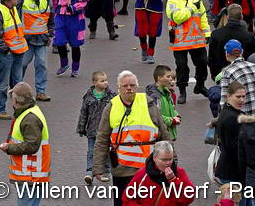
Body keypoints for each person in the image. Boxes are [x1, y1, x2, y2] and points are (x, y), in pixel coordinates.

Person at [92, 71, 169, 206]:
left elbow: (164, 136)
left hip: (149, 168)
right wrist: (98, 167)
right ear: (119, 88)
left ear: (137, 86)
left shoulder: (149, 104)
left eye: (132, 85)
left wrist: (171, 163)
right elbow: (102, 139)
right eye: (125, 86)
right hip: (122, 171)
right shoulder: (111, 107)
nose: (129, 88)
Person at [0, 82, 49, 206]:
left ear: (16, 100)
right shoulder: (29, 112)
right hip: (31, 173)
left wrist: (9, 148)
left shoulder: (29, 118)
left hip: (30, 174)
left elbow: (32, 145)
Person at [165, 0, 211, 103]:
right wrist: (191, 8)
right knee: (182, 66)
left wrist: (207, 32)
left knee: (203, 63)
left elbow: (202, 16)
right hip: (180, 41)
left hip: (196, 39)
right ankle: (182, 91)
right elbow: (177, 18)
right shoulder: (172, 0)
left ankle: (200, 86)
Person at [0, 0, 26, 120]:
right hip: (6, 53)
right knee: (3, 84)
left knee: (17, 83)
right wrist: (6, 50)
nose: (18, 0)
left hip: (17, 51)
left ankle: (19, 109)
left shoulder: (12, 8)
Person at [121, 140, 194, 206]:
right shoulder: (143, 174)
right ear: (154, 158)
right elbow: (127, 199)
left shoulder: (179, 172)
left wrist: (173, 180)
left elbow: (188, 199)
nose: (168, 163)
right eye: (164, 160)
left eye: (170, 159)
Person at [17, 0, 53, 100]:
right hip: (26, 38)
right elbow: (16, 14)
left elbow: (51, 14)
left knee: (42, 65)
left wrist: (50, 33)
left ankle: (41, 92)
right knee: (22, 65)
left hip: (42, 37)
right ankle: (17, 90)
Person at [49, 0, 88, 77]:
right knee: (59, 41)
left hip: (74, 17)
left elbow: (84, 0)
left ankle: (75, 68)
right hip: (60, 15)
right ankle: (64, 64)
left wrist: (75, 7)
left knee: (75, 44)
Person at [77, 71, 115, 185]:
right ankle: (89, 172)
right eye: (102, 81)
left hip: (107, 130)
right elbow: (84, 112)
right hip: (92, 129)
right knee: (91, 152)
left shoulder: (112, 96)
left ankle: (106, 171)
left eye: (106, 80)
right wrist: (81, 127)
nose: (105, 82)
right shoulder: (88, 96)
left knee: (106, 151)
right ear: (95, 83)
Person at [219, 40, 255, 116]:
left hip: (242, 119)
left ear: (227, 55)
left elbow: (224, 101)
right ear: (242, 52)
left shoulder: (228, 72)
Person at [215, 81, 246, 186]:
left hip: (229, 170)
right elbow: (234, 147)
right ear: (228, 96)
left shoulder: (227, 111)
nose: (241, 100)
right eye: (238, 97)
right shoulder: (232, 117)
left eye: (243, 96)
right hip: (232, 172)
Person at [145, 65, 181, 141]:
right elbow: (155, 116)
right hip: (160, 136)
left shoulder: (167, 92)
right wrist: (172, 120)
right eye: (168, 77)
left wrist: (176, 115)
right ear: (159, 78)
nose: (171, 79)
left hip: (168, 133)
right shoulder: (155, 96)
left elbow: (171, 108)